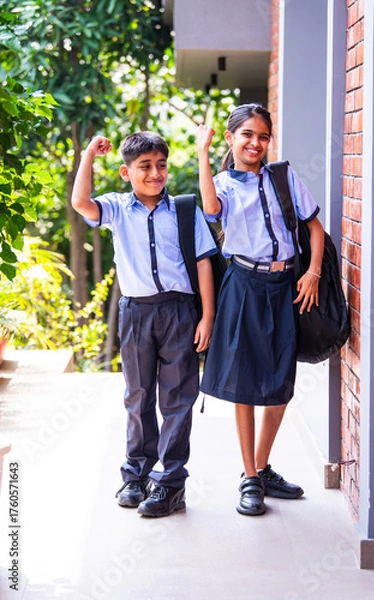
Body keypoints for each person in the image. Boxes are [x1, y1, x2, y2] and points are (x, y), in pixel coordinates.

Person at [71, 131, 217, 517]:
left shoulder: (185, 210)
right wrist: (88, 154)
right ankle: (136, 474)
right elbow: (80, 202)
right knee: (137, 396)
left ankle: (170, 483)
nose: (156, 173)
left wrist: (207, 316)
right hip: (135, 313)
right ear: (126, 172)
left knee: (178, 398)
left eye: (161, 165)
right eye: (145, 166)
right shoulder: (117, 209)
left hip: (179, 312)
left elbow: (203, 263)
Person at [197, 104, 324, 516]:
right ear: (232, 138)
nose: (256, 143)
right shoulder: (223, 185)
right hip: (245, 286)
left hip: (286, 285)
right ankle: (249, 476)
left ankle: (262, 465)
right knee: (246, 384)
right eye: (247, 134)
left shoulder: (283, 177)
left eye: (263, 136)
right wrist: (202, 153)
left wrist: (313, 273)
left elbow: (314, 228)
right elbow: (212, 211)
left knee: (280, 382)